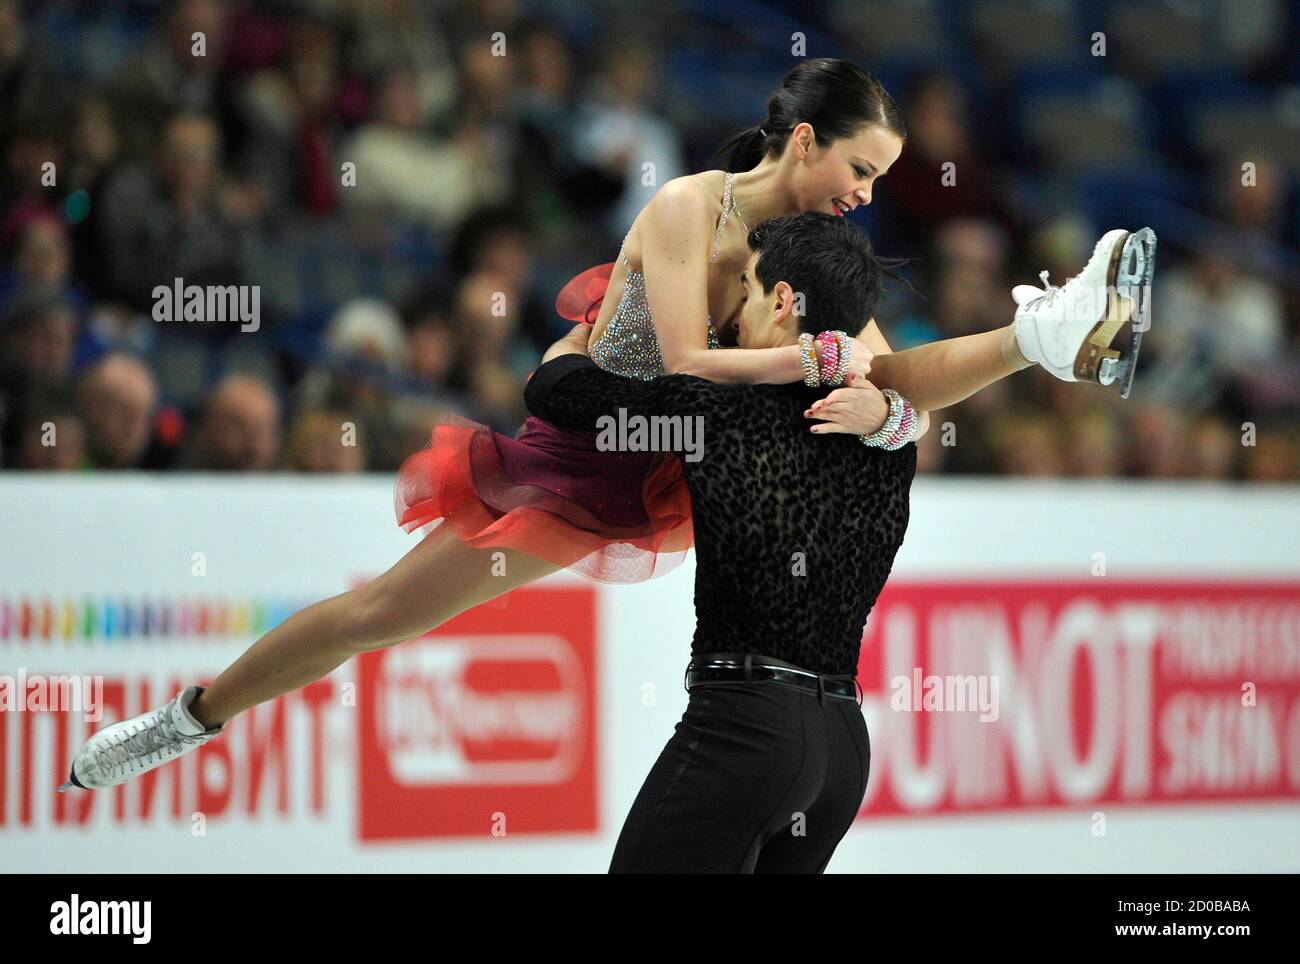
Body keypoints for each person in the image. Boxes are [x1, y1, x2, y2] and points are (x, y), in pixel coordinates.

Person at [59, 59, 1154, 792]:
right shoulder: (692, 206)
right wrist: (820, 361)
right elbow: (680, 359)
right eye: (860, 170)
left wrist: (883, 393)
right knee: (384, 610)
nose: (868, 194)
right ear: (808, 140)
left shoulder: (812, 253)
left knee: (883, 392)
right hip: (581, 448)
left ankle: (1043, 335)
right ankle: (189, 718)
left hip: (679, 459)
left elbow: (888, 367)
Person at [525, 213, 915, 871]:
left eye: (748, 291)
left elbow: (557, 394)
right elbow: (907, 414)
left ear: (786, 301)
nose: (734, 318)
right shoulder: (889, 440)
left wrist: (578, 339)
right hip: (841, 746)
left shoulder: (715, 414)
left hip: (747, 734)